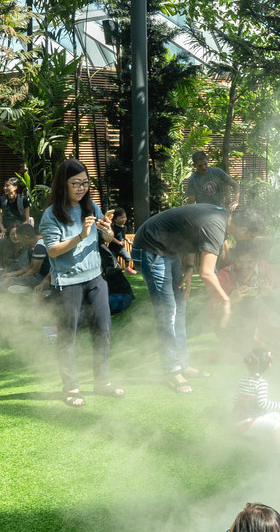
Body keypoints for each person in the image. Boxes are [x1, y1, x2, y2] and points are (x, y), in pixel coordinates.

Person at [134, 199, 259, 394]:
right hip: (151, 248)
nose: (248, 239)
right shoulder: (216, 225)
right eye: (249, 234)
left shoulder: (223, 217)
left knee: (179, 307)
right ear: (242, 227)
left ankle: (182, 364)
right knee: (168, 312)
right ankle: (171, 370)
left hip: (169, 250)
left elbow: (190, 234)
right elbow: (207, 273)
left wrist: (189, 268)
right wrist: (226, 300)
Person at [38, 159, 119, 407]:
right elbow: (52, 251)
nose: (82, 188)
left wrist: (108, 233)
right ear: (63, 184)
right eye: (76, 183)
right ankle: (71, 388)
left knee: (103, 331)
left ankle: (102, 382)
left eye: (85, 183)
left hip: (96, 278)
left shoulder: (91, 206)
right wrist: (80, 236)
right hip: (67, 282)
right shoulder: (51, 214)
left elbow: (105, 240)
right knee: (67, 337)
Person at [232, 347, 280, 459]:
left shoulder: (243, 380)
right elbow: (264, 404)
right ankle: (277, 456)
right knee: (277, 425)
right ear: (268, 366)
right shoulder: (261, 383)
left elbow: (234, 399)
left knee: (278, 416)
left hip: (238, 419)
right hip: (246, 423)